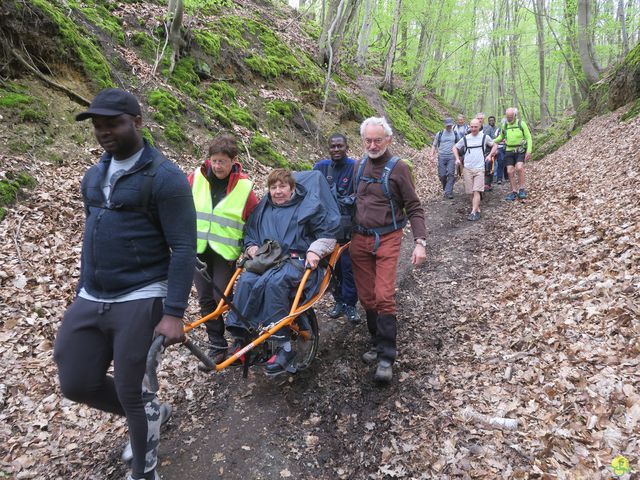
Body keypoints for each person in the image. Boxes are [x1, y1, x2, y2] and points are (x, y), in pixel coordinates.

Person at [54, 88, 196, 480]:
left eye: (112, 123)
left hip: (142, 294)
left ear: (136, 122)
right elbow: (94, 232)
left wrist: (174, 314)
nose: (103, 132)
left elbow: (183, 248)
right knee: (76, 381)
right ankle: (152, 412)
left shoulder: (165, 178)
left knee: (132, 389)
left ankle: (145, 472)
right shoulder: (94, 174)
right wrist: (84, 286)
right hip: (92, 294)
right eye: (97, 126)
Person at [225, 168, 340, 376]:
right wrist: (252, 248)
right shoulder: (263, 209)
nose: (278, 191)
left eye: (283, 187)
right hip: (267, 260)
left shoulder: (309, 207)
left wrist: (316, 250)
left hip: (296, 261)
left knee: (275, 283)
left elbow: (327, 234)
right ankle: (242, 338)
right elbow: (250, 234)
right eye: (273, 187)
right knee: (246, 280)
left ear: (292, 188)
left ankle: (283, 346)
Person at [350, 117, 427, 383]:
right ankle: (376, 342)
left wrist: (420, 242)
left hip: (387, 238)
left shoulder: (398, 169)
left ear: (389, 140)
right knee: (367, 297)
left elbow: (414, 207)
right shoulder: (358, 166)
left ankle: (386, 355)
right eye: (368, 140)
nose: (372, 145)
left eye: (377, 140)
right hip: (359, 240)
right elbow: (351, 202)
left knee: (383, 295)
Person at [188, 135, 258, 369]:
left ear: (233, 161)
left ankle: (241, 339)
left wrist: (251, 245)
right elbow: (180, 205)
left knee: (222, 299)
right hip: (198, 249)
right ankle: (217, 346)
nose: (217, 166)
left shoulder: (244, 187)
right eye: (214, 161)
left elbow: (254, 220)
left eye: (222, 162)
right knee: (205, 299)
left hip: (224, 252)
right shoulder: (196, 178)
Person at [313, 133, 360, 323]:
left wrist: (347, 201)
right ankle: (338, 300)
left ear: (346, 146)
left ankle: (351, 304)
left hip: (349, 229)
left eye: (340, 146)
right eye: (333, 146)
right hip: (327, 230)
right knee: (332, 269)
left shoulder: (355, 167)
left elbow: (361, 193)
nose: (336, 150)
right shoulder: (321, 168)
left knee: (349, 269)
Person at [453, 118, 494, 221]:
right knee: (470, 192)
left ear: (479, 126)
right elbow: (455, 147)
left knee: (477, 190)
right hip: (467, 168)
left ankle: (473, 211)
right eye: (472, 127)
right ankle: (477, 208)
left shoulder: (485, 137)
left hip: (480, 168)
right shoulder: (466, 138)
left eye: (476, 127)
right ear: (469, 127)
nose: (474, 129)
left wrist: (490, 156)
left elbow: (495, 145)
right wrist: (457, 159)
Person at [491, 107, 532, 201]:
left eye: (511, 117)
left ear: (515, 115)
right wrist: (490, 141)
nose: (509, 118)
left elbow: (528, 137)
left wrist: (529, 151)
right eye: (507, 117)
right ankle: (514, 191)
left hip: (520, 149)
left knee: (519, 167)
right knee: (509, 171)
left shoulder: (521, 123)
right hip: (509, 150)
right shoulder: (505, 125)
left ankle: (522, 189)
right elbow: (501, 136)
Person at [430, 117, 459, 199]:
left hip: (451, 156)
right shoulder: (440, 133)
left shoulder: (455, 134)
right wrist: (431, 155)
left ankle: (448, 192)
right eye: (447, 125)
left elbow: (459, 145)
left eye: (450, 125)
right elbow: (434, 145)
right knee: (442, 175)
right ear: (445, 125)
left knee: (450, 174)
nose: (449, 127)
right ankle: (447, 188)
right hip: (441, 156)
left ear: (452, 124)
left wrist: (458, 157)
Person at [493, 120, 507, 184]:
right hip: (500, 148)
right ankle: (499, 178)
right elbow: (495, 139)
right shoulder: (498, 130)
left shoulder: (509, 129)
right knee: (500, 162)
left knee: (508, 163)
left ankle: (507, 177)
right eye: (503, 123)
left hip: (508, 148)